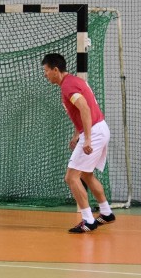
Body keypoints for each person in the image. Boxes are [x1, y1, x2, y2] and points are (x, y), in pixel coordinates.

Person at [41, 53, 116, 233]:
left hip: (95, 132)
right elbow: (81, 111)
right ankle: (106, 212)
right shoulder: (74, 82)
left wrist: (88, 138)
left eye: (46, 71)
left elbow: (84, 107)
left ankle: (88, 220)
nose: (45, 75)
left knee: (71, 177)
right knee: (86, 175)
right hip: (99, 128)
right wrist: (77, 134)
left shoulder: (68, 86)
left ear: (56, 70)